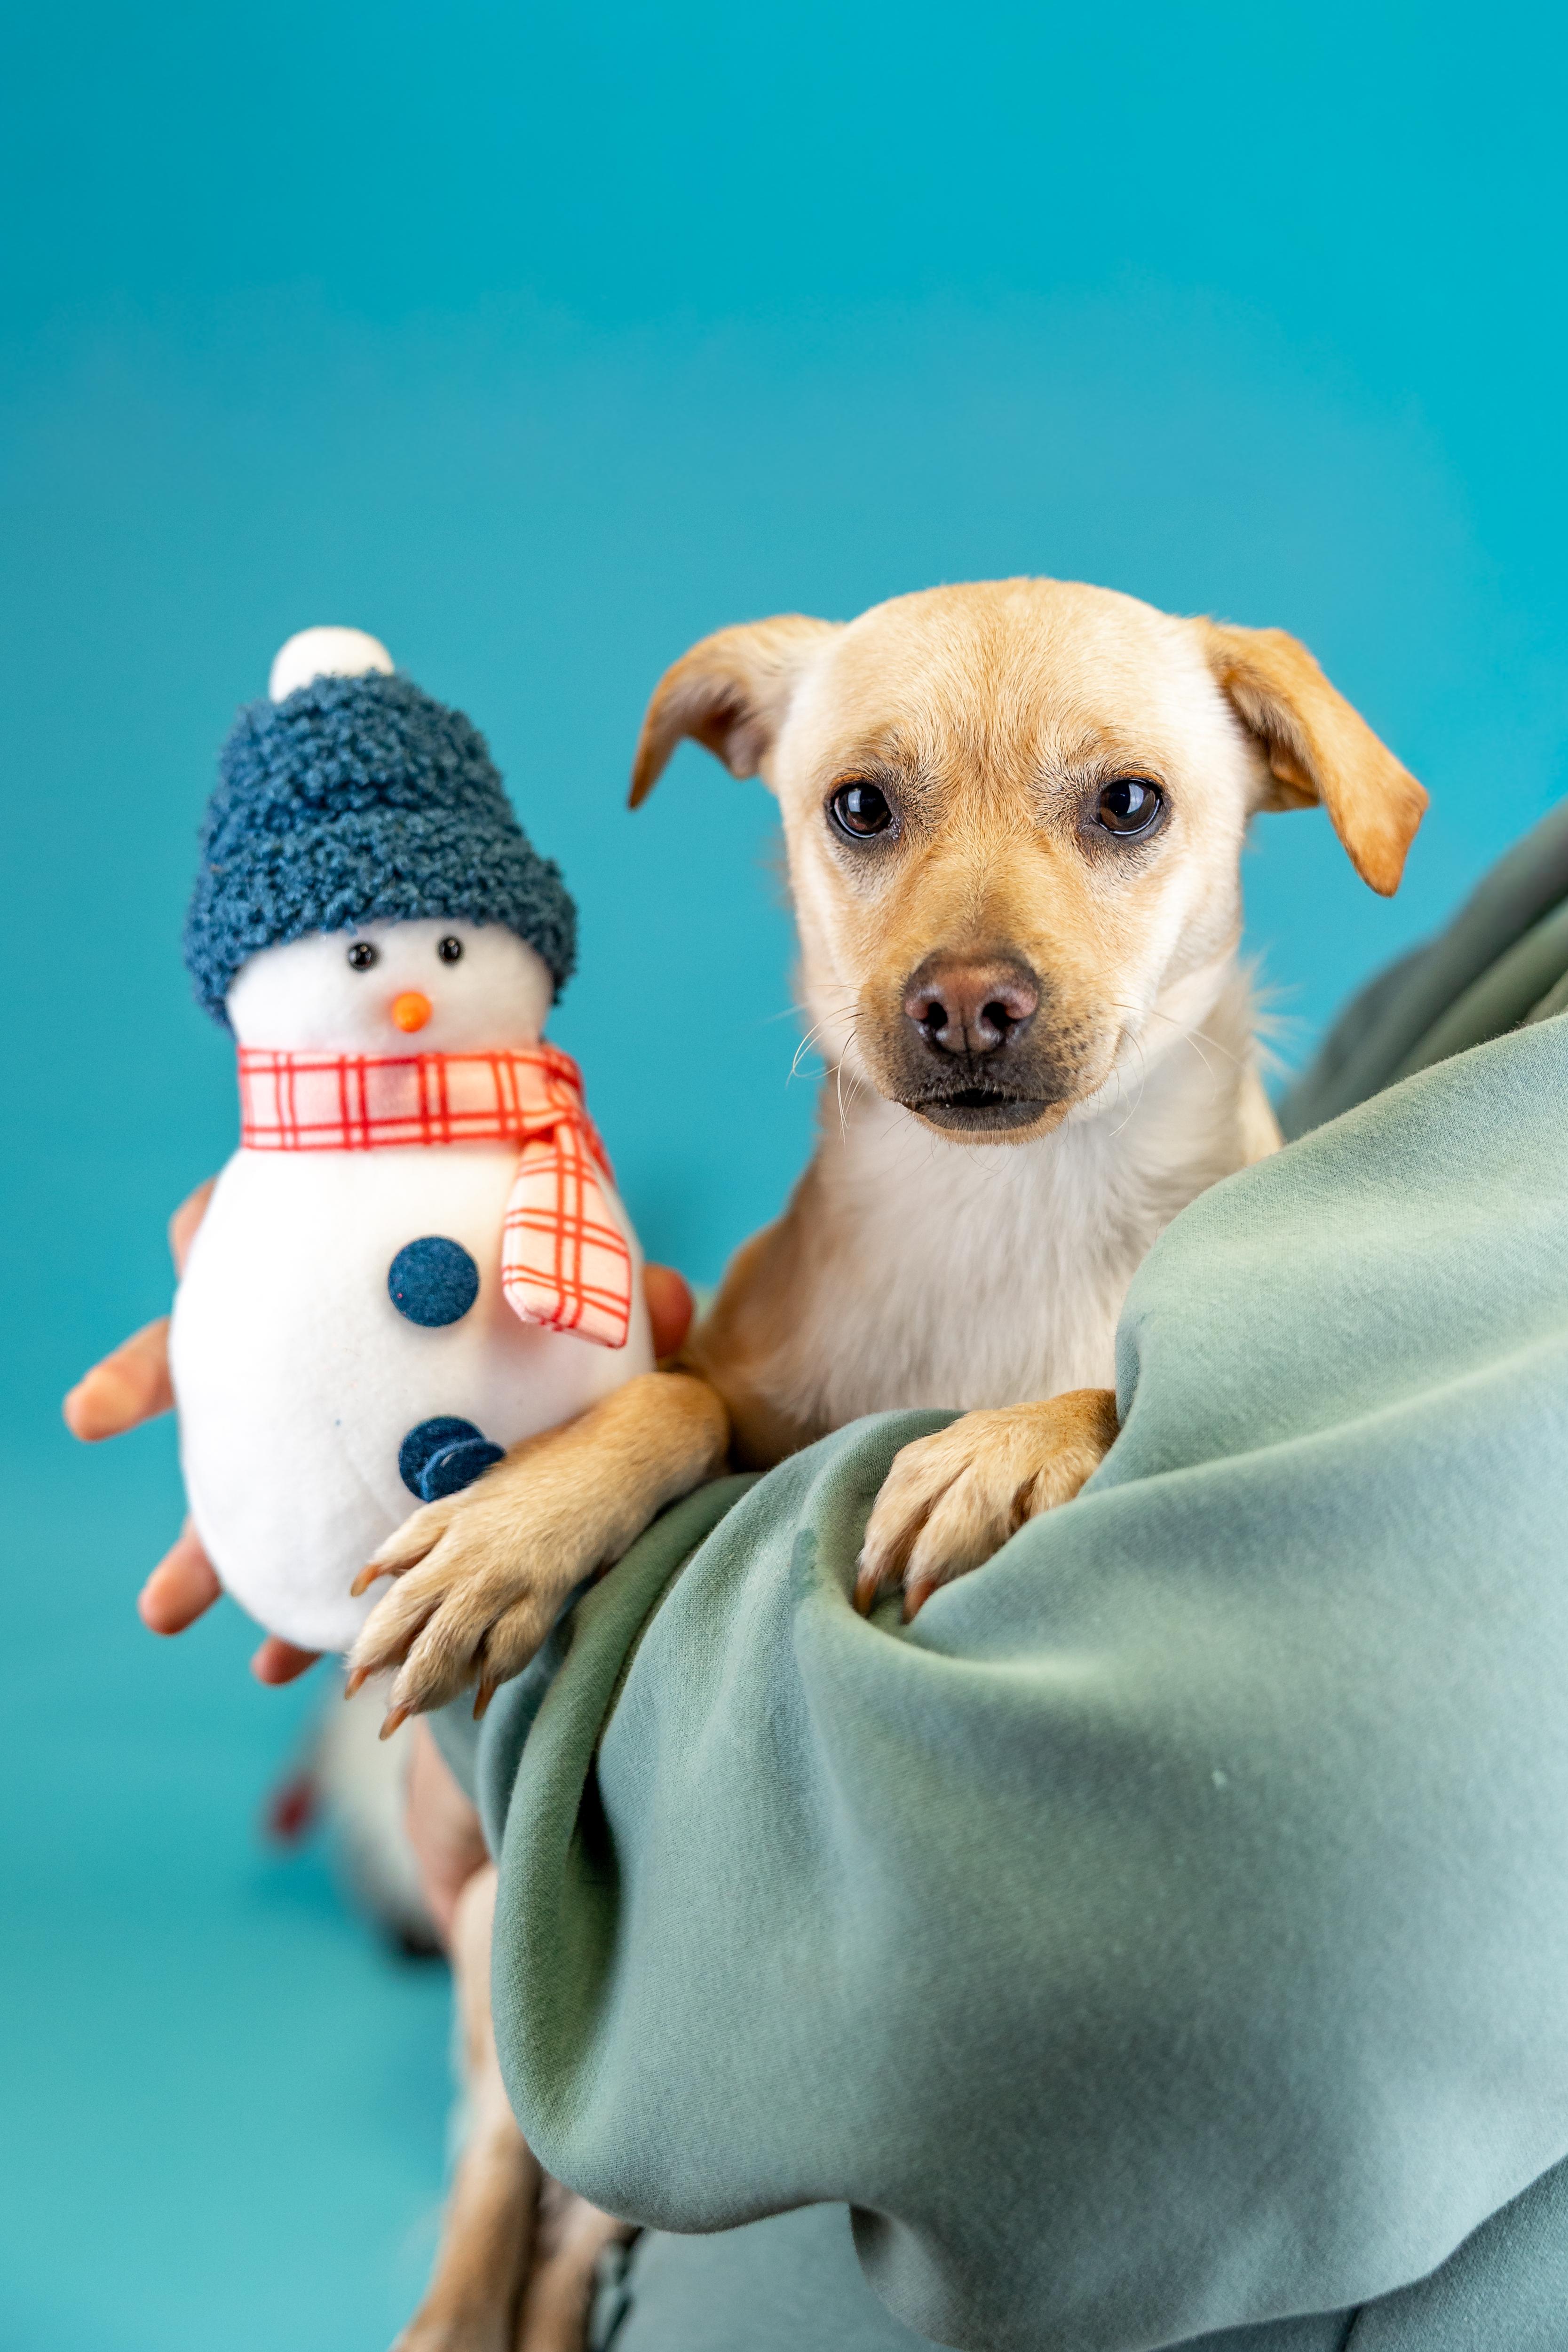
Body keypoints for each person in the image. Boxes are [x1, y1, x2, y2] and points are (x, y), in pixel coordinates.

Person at [68, 804, 1568, 2350]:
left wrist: (499, 1713)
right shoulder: (1474, 992)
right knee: (429, 1811)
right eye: (868, 810)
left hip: (736, 2008)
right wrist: (416, 1390)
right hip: (656, 1824)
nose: (971, 970)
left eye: (1120, 809)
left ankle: (388, 1805)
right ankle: (444, 2046)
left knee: (434, 1797)